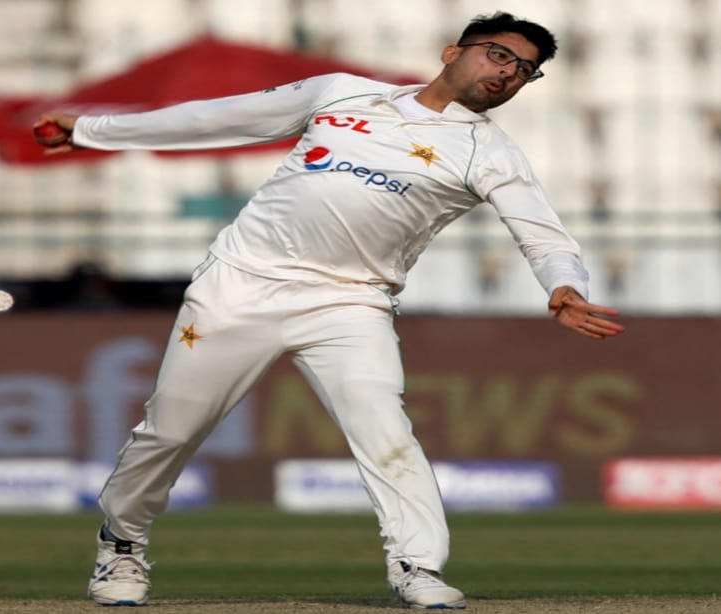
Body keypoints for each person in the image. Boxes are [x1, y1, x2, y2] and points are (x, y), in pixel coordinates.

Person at [33, 11, 625, 609]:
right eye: (499, 55)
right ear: (453, 51)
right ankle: (122, 546)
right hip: (241, 283)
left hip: (350, 302)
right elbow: (218, 117)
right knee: (171, 431)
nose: (508, 73)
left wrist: (563, 283)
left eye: (525, 69)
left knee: (385, 428)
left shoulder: (491, 151)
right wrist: (91, 130)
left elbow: (545, 236)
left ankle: (417, 565)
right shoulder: (342, 91)